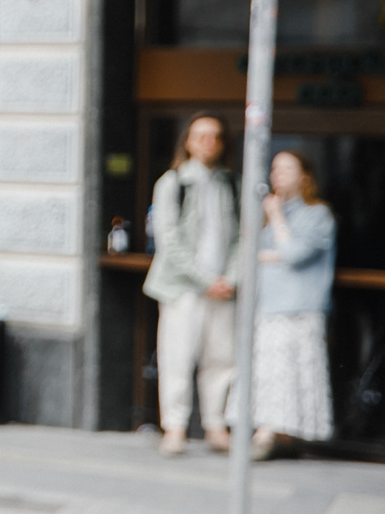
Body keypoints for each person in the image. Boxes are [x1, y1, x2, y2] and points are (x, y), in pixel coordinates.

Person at [144, 112, 241, 455]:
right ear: (187, 141)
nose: (208, 143)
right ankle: (175, 427)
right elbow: (169, 240)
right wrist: (205, 279)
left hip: (223, 289)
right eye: (201, 136)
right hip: (182, 287)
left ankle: (215, 425)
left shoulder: (231, 183)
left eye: (215, 136)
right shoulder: (173, 182)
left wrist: (229, 278)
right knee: (177, 357)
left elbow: (242, 237)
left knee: (222, 358)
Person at [249, 149, 337, 461]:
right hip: (267, 305)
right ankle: (275, 433)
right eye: (275, 169)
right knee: (270, 373)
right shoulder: (268, 212)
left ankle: (270, 435)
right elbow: (252, 255)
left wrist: (276, 220)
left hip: (299, 308)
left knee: (291, 373)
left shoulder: (318, 215)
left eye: (287, 169)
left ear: (304, 176)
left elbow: (294, 254)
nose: (278, 175)